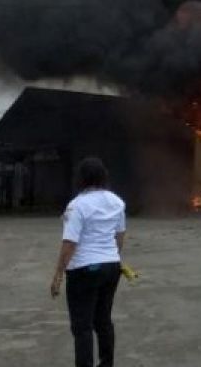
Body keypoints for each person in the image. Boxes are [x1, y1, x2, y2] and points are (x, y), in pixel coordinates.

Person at [49, 157, 126, 367]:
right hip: (111, 267)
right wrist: (113, 258)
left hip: (84, 270)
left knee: (82, 326)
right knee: (103, 320)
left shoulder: (76, 205)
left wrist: (57, 276)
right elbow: (120, 236)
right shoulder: (117, 202)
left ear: (80, 179)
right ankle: (106, 363)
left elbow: (69, 244)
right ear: (103, 176)